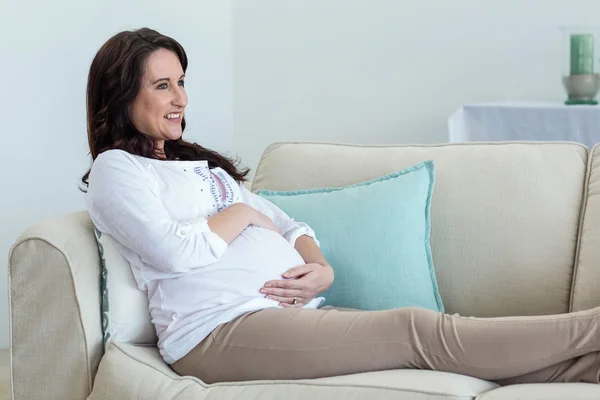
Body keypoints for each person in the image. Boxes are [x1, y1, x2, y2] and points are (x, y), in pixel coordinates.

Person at [83, 28, 600, 385]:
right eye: (162, 85)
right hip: (218, 332)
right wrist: (243, 214)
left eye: (182, 82)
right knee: (416, 330)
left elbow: (290, 224)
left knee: (444, 361)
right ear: (121, 94)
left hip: (282, 314)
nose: (181, 98)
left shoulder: (202, 168)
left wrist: (321, 268)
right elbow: (176, 253)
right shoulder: (118, 171)